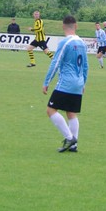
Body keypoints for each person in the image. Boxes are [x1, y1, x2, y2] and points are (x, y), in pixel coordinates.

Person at [42, 15, 88, 153]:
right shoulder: (82, 43)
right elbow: (85, 66)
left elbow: (55, 63)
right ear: (76, 26)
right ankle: (73, 146)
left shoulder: (65, 43)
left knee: (50, 110)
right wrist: (83, 83)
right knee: (71, 113)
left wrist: (46, 81)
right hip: (78, 82)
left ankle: (69, 138)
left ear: (63, 26)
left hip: (66, 83)